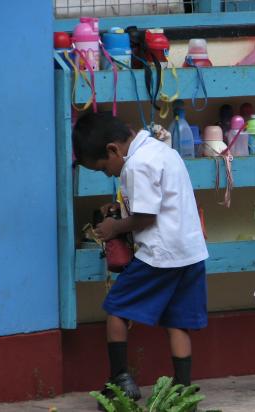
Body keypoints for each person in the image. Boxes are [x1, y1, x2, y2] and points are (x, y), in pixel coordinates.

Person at [72, 112, 209, 404]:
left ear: (113, 149)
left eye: (103, 168)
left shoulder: (137, 164)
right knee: (178, 320)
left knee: (117, 308)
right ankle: (183, 393)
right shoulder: (162, 151)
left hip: (160, 255)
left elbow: (146, 216)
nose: (108, 174)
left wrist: (113, 227)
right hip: (190, 253)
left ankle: (120, 378)